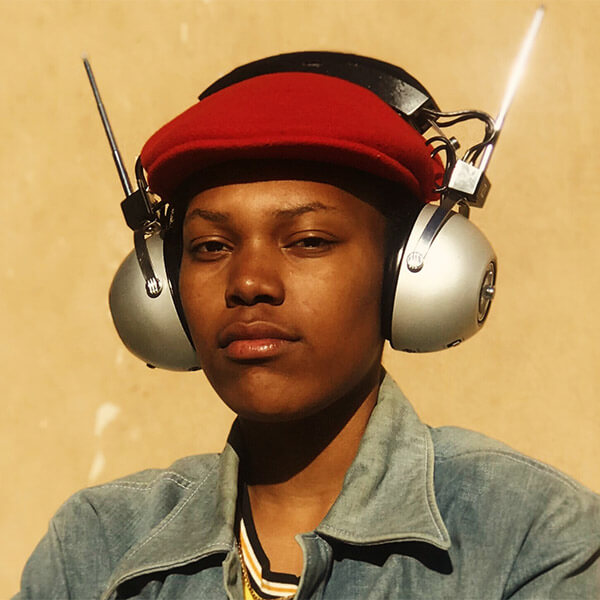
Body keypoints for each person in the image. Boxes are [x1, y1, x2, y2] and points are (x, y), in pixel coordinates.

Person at [15, 53, 600, 600]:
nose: (249, 282)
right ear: (165, 288)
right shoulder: (94, 547)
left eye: (309, 241)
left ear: (405, 274)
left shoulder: (529, 535)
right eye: (211, 246)